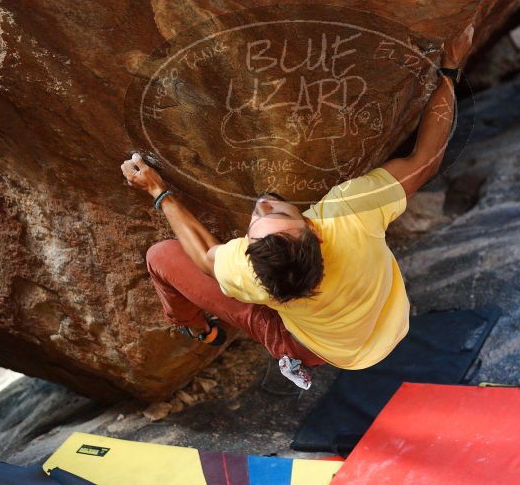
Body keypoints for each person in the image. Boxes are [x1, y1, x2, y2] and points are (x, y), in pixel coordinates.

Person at [121, 25, 474, 389]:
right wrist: (450, 68)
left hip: (314, 347)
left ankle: (195, 328)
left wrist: (158, 191)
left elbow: (207, 256)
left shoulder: (249, 274)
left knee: (160, 257)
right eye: (271, 213)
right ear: (316, 233)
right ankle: (208, 330)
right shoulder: (349, 216)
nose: (261, 204)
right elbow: (427, 159)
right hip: (380, 327)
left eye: (263, 218)